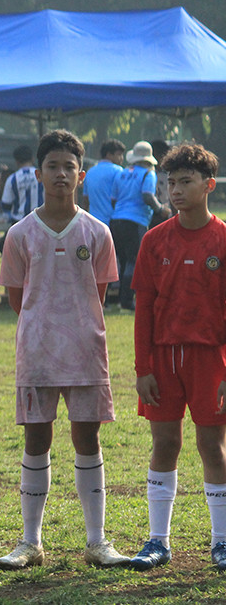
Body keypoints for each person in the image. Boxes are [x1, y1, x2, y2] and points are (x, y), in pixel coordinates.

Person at [0, 129, 130, 569]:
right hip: (36, 351)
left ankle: (97, 542)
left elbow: (102, 291)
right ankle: (30, 542)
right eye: (52, 166)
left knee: (87, 438)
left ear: (81, 174)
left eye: (68, 167)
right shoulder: (19, 234)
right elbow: (18, 299)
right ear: (38, 174)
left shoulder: (98, 233)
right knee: (37, 438)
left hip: (85, 349)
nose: (60, 174)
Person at [128, 144, 226, 572]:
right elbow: (143, 309)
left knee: (212, 446)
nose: (176, 190)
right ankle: (157, 541)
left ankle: (221, 541)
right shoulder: (154, 240)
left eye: (185, 181)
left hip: (210, 359)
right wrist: (142, 368)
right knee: (164, 443)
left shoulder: (222, 239)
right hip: (164, 360)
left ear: (208, 185)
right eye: (171, 182)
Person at [109, 141, 170, 311]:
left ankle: (118, 298)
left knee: (122, 259)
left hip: (116, 220)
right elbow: (147, 196)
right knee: (134, 260)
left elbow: (113, 198)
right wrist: (160, 209)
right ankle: (127, 301)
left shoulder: (121, 173)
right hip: (136, 221)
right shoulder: (148, 174)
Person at [82, 139, 125, 226]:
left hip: (93, 222)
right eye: (119, 155)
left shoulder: (90, 172)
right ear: (109, 154)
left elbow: (85, 201)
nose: (122, 158)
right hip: (112, 223)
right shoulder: (118, 171)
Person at [0, 145, 43, 226]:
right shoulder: (41, 176)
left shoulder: (12, 179)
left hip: (18, 224)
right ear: (32, 159)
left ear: (16, 161)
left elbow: (6, 203)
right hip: (40, 223)